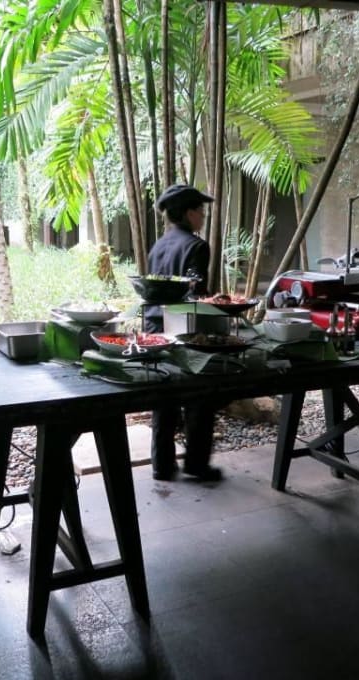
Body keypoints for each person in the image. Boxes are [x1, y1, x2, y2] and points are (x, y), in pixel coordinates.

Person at [146, 183, 222, 483]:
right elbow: (195, 293)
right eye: (200, 210)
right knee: (201, 395)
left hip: (154, 328)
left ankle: (162, 465)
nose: (203, 215)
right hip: (184, 329)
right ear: (189, 213)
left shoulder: (158, 245)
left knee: (163, 398)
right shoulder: (196, 246)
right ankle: (196, 463)